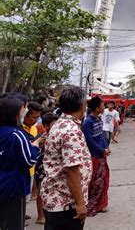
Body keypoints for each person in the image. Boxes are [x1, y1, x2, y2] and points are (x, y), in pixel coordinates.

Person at [41, 86, 92, 230]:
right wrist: (80, 203)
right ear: (83, 106)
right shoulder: (71, 131)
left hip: (57, 198)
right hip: (65, 202)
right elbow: (71, 170)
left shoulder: (60, 124)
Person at [0, 95, 42, 230]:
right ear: (15, 113)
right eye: (23, 109)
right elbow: (29, 160)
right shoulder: (17, 135)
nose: (25, 111)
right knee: (15, 224)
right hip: (14, 187)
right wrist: (35, 146)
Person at [83, 96, 111, 217]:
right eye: (102, 105)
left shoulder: (99, 119)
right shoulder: (88, 122)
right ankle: (92, 204)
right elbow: (89, 141)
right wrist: (101, 150)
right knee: (95, 182)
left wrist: (106, 147)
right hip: (94, 156)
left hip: (101, 154)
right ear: (97, 108)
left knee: (103, 180)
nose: (104, 107)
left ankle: (101, 203)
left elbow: (101, 136)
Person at [34, 112, 59, 225]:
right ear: (46, 126)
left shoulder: (59, 137)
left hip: (55, 170)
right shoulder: (41, 138)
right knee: (40, 192)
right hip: (41, 169)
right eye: (54, 124)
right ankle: (41, 216)